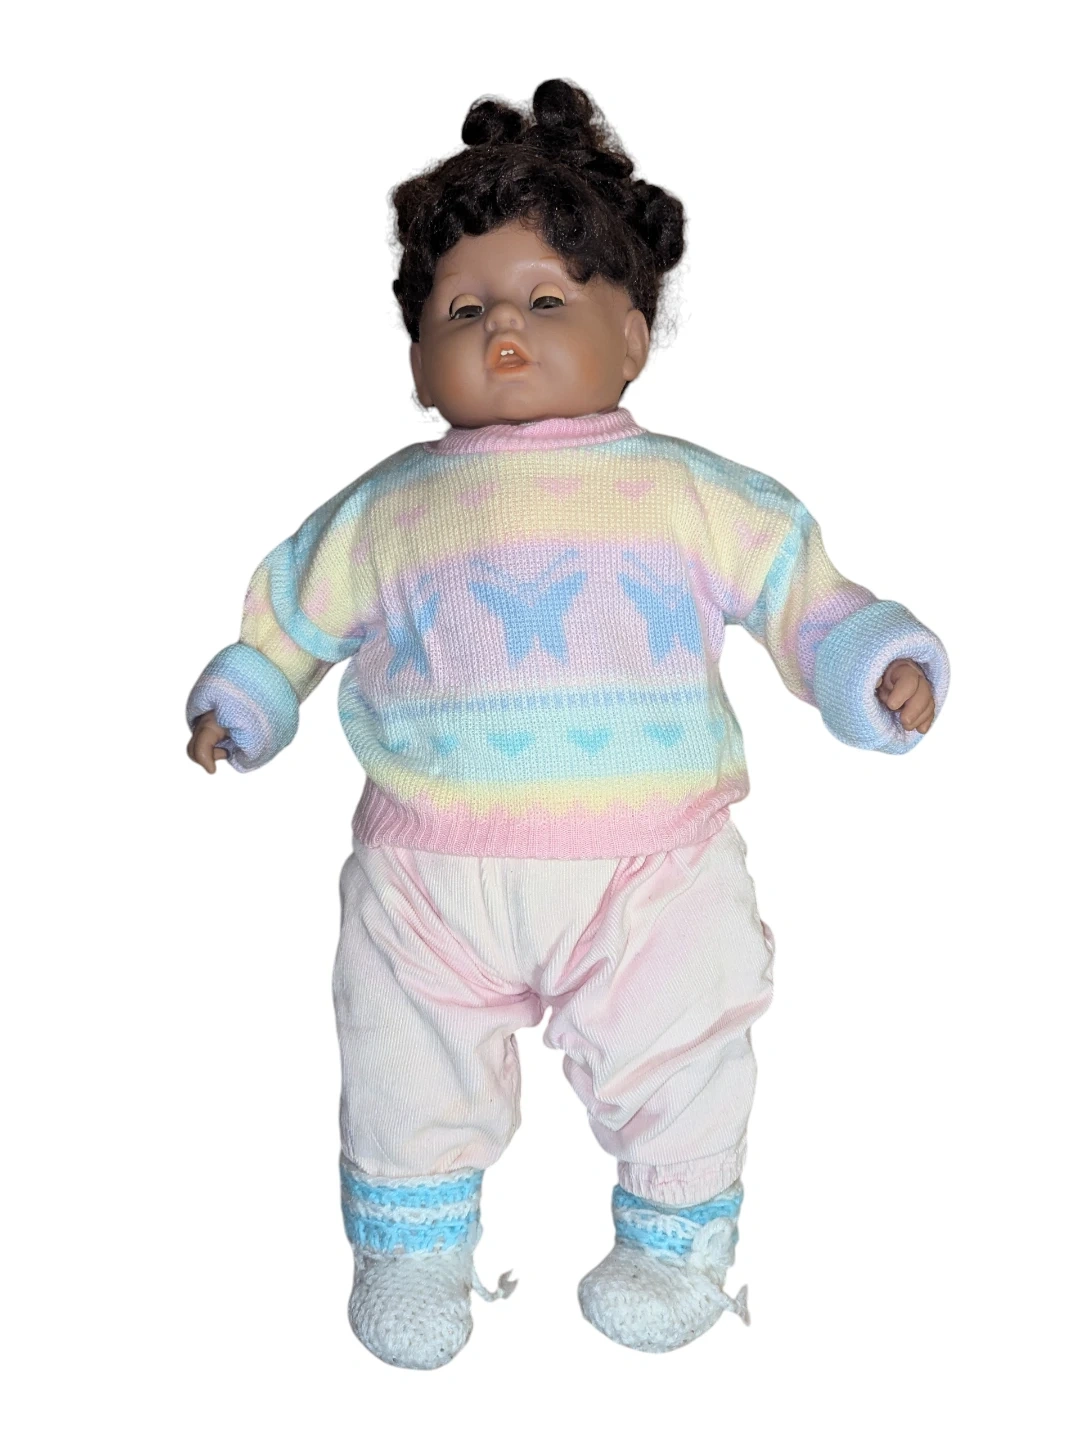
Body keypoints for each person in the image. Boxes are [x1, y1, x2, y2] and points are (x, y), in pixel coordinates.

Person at [186, 78, 948, 1368]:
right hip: (427, 874)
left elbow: (801, 592)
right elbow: (293, 618)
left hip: (653, 868)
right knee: (401, 1058)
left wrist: (871, 663)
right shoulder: (387, 507)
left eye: (546, 301)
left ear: (632, 335)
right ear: (415, 356)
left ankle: (676, 1242)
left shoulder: (693, 493)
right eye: (461, 310)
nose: (500, 329)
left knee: (687, 1046)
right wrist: (246, 698)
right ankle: (412, 1250)